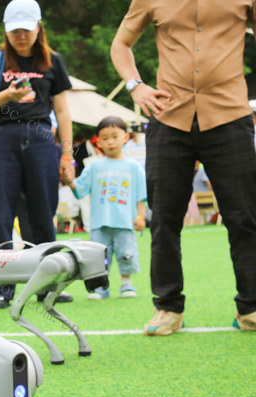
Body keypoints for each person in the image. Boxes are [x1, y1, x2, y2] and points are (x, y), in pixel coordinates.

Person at [111, 1, 256, 334]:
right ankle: (168, 308)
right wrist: (136, 85)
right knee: (164, 218)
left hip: (230, 115)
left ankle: (251, 306)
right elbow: (120, 44)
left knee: (245, 217)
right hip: (168, 116)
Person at [0, 0, 74, 309]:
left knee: (42, 215)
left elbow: (63, 110)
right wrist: (7, 95)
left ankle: (48, 285)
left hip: (43, 140)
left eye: (26, 30)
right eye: (14, 30)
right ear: (6, 31)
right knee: (1, 216)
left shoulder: (53, 61)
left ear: (39, 27)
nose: (21, 36)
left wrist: (67, 155)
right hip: (2, 142)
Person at [67, 116, 146, 299]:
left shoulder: (134, 167)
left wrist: (140, 216)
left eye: (115, 136)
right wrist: (69, 181)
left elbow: (141, 196)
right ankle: (101, 286)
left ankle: (127, 284)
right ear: (98, 142)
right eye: (104, 138)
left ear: (125, 138)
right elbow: (80, 189)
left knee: (127, 253)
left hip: (125, 221)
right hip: (99, 222)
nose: (110, 142)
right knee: (98, 256)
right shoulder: (94, 167)